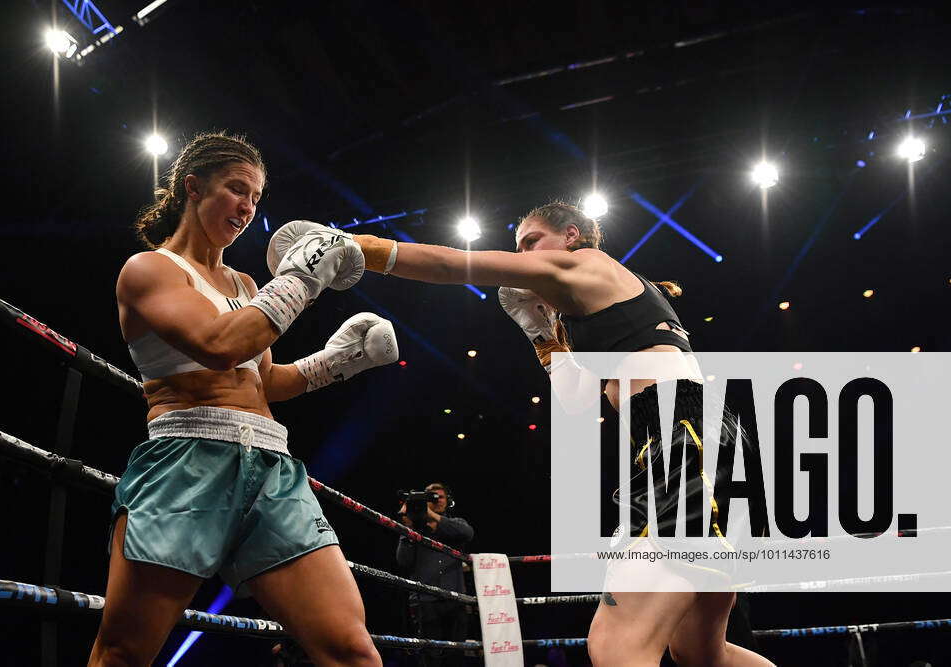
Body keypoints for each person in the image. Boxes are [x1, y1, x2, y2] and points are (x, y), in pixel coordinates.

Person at [267, 206, 773, 666]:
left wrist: (351, 245)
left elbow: (454, 265)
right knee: (701, 655)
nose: (522, 255)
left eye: (531, 241)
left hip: (683, 442)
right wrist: (543, 336)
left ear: (570, 236)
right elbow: (577, 402)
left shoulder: (589, 263)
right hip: (692, 443)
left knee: (617, 644)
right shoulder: (590, 311)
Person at [89, 132, 397, 667]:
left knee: (351, 649)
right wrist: (303, 277)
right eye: (236, 189)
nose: (247, 207)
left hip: (272, 468)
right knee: (125, 652)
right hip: (188, 460)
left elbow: (265, 382)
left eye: (255, 198)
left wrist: (340, 360)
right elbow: (219, 347)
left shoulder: (246, 283)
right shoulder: (150, 270)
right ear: (193, 187)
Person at [396, 483, 474, 666]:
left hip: (455, 599)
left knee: (456, 654)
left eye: (440, 497)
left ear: (449, 502)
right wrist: (408, 529)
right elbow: (403, 561)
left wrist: (431, 515)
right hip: (425, 601)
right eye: (431, 497)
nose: (437, 500)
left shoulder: (456, 524)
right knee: (430, 656)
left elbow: (467, 533)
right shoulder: (414, 528)